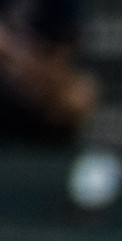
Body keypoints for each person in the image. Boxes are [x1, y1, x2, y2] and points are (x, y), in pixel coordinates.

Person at [0, 0, 95, 144]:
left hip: (36, 124)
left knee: (77, 97)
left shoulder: (58, 7)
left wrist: (11, 53)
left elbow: (59, 73)